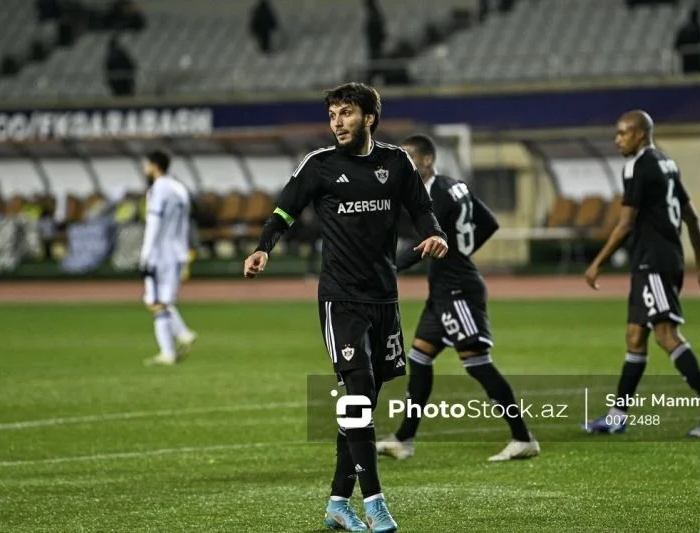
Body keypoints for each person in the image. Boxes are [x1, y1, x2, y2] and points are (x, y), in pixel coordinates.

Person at [243, 83, 448, 533]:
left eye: (347, 113)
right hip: (340, 298)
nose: (337, 121)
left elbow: (423, 209)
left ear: (369, 118)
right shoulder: (319, 166)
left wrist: (437, 235)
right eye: (333, 113)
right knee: (356, 394)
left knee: (362, 405)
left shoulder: (396, 163)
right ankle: (375, 503)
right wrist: (264, 248)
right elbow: (284, 210)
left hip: (384, 297)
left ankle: (338, 501)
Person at [375, 134, 540, 462]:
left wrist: (388, 269)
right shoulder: (454, 186)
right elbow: (489, 223)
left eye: (408, 157)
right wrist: (461, 251)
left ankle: (523, 438)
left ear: (426, 160)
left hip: (457, 291)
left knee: (478, 363)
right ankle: (404, 439)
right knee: (420, 359)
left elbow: (423, 244)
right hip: (443, 289)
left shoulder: (435, 196)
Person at [583, 110, 700, 438]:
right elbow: (691, 217)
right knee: (635, 337)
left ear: (640, 134)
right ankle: (617, 416)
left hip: (654, 262)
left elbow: (625, 223)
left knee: (665, 334)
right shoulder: (668, 163)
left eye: (622, 133)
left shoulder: (637, 166)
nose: (616, 139)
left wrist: (598, 262)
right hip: (658, 261)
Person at [138, 150, 198, 366]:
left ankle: (182, 334)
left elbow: (154, 224)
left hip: (160, 253)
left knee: (154, 300)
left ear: (154, 166)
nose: (145, 169)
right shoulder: (179, 188)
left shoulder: (158, 189)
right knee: (163, 300)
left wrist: (145, 254)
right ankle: (169, 353)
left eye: (146, 164)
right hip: (178, 252)